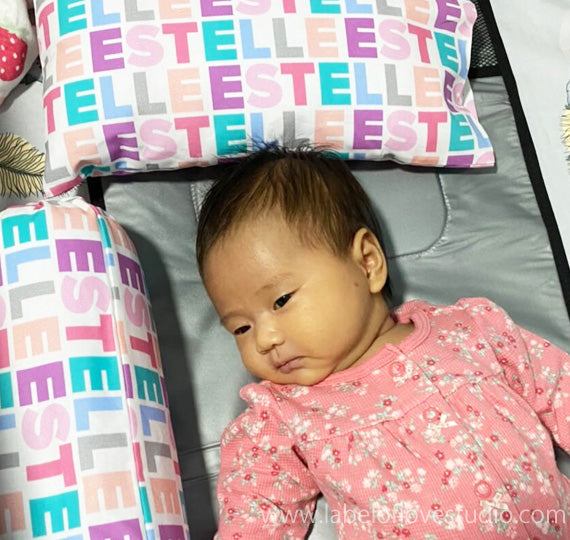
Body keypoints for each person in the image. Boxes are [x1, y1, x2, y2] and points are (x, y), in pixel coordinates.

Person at [196, 145, 570, 539]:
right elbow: (256, 511)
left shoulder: (469, 329)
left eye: (281, 300)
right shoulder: (281, 416)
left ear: (367, 262)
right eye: (241, 328)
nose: (265, 339)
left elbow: (558, 387)